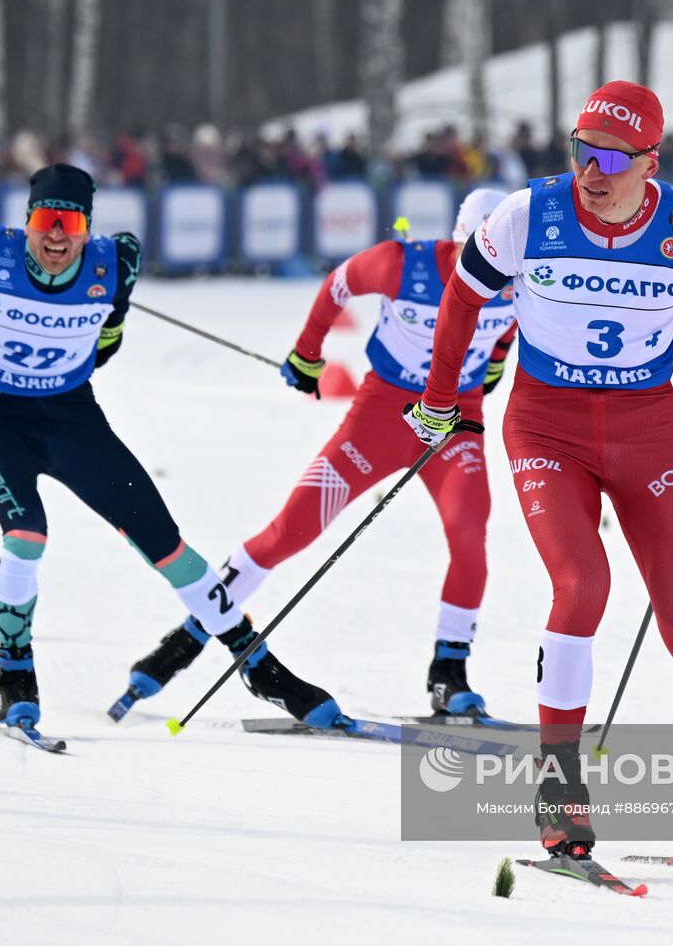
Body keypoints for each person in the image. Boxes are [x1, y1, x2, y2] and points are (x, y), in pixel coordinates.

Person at [404, 82, 673, 864]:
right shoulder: (527, 215)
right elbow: (462, 295)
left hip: (647, 428)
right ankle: (560, 789)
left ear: (651, 162)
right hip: (547, 424)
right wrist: (442, 399)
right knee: (583, 585)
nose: (594, 169)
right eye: (584, 150)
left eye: (615, 156)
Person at [0, 163, 339, 735]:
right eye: (45, 221)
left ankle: (260, 667)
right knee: (25, 535)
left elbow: (116, 309)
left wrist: (110, 329)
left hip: (71, 419)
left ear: (86, 228)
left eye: (69, 224)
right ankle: (16, 671)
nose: (55, 236)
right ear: (27, 222)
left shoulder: (115, 260)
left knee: (166, 546)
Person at [112, 190, 517, 721]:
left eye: (505, 261)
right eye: (481, 254)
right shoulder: (404, 263)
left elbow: (509, 333)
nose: (494, 272)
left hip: (454, 424)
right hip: (383, 416)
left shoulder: (525, 281)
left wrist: (492, 369)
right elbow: (339, 283)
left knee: (470, 533)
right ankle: (192, 633)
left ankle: (449, 673)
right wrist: (307, 352)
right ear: (462, 239)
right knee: (293, 529)